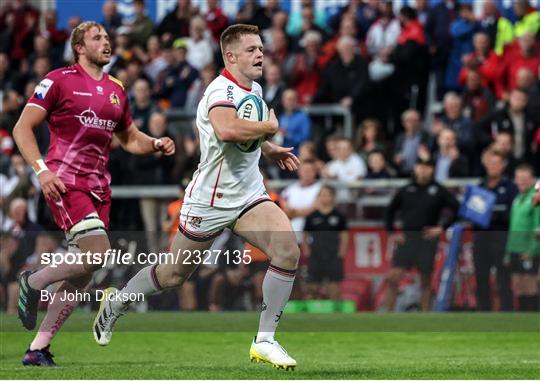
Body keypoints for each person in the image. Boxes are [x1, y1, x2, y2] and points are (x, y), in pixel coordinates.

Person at [92, 24, 300, 370]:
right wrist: (268, 128)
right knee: (174, 275)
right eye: (251, 50)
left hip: (248, 194)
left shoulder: (255, 88)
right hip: (210, 199)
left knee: (287, 250)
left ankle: (264, 340)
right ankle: (117, 301)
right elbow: (227, 129)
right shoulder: (219, 91)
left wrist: (270, 147)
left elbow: (244, 133)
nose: (260, 54)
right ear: (230, 56)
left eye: (261, 48)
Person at [12, 21, 176, 366]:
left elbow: (130, 137)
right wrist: (41, 171)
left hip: (99, 187)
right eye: (97, 37)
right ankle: (34, 280)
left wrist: (155, 143)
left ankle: (38, 348)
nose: (106, 41)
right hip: (65, 180)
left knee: (83, 272)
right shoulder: (58, 80)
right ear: (79, 48)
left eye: (106, 36)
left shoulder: (117, 89)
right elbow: (22, 128)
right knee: (98, 253)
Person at [384, 157, 459, 312]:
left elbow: (458, 209)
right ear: (415, 168)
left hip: (427, 239)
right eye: (420, 166)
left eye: (427, 167)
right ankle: (387, 314)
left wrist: (442, 227)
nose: (423, 170)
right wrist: (392, 232)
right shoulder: (406, 190)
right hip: (408, 239)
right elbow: (389, 211)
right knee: (393, 277)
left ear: (432, 170)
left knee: (426, 280)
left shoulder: (439, 190)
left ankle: (424, 316)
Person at [472, 149, 518, 311]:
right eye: (490, 163)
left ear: (503, 166)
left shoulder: (510, 187)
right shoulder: (479, 187)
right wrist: (492, 215)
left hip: (501, 236)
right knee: (481, 276)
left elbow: (513, 213)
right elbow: (472, 214)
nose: (493, 167)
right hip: (481, 237)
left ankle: (506, 312)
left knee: (503, 276)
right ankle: (484, 311)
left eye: (496, 164)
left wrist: (492, 216)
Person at [302, 186, 348, 300]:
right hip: (316, 255)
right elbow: (305, 235)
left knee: (333, 287)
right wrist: (306, 250)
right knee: (312, 287)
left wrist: (341, 253)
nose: (325, 198)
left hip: (333, 255)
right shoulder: (312, 216)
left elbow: (344, 235)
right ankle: (313, 313)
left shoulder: (339, 216)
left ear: (332, 197)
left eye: (327, 195)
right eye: (322, 195)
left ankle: (335, 314)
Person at [505, 164, 540, 311]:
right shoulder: (517, 199)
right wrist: (508, 252)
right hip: (515, 249)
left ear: (533, 180)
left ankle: (532, 320)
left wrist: (532, 251)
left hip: (528, 250)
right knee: (518, 287)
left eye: (525, 179)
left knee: (530, 286)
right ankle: (523, 321)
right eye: (518, 178)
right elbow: (512, 227)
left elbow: (538, 228)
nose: (521, 182)